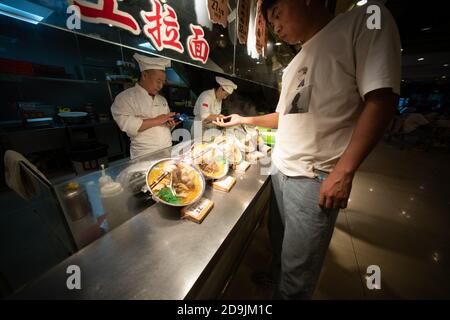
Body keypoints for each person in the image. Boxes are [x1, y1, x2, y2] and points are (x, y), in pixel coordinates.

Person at [214, 0, 400, 299]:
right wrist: (244, 118)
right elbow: (283, 116)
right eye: (271, 22)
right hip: (280, 169)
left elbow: (381, 99)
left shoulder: (364, 19)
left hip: (313, 178)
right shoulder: (294, 64)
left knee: (297, 274)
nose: (275, 27)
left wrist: (344, 170)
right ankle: (276, 278)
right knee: (279, 241)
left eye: (277, 15)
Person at [111, 53, 178, 159]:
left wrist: (170, 124)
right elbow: (127, 125)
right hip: (144, 154)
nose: (161, 86)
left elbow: (164, 126)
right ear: (144, 75)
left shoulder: (161, 99)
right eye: (158, 81)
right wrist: (157, 120)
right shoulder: (125, 97)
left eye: (163, 82)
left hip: (167, 149)